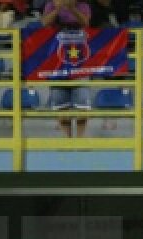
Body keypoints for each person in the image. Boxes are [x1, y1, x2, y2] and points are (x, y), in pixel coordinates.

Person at [41, 0, 93, 138]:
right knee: (60, 103)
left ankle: (80, 139)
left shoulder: (83, 5)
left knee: (82, 104)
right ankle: (67, 139)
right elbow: (45, 23)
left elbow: (86, 23)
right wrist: (57, 10)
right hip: (57, 61)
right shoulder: (50, 5)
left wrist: (72, 9)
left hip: (79, 61)